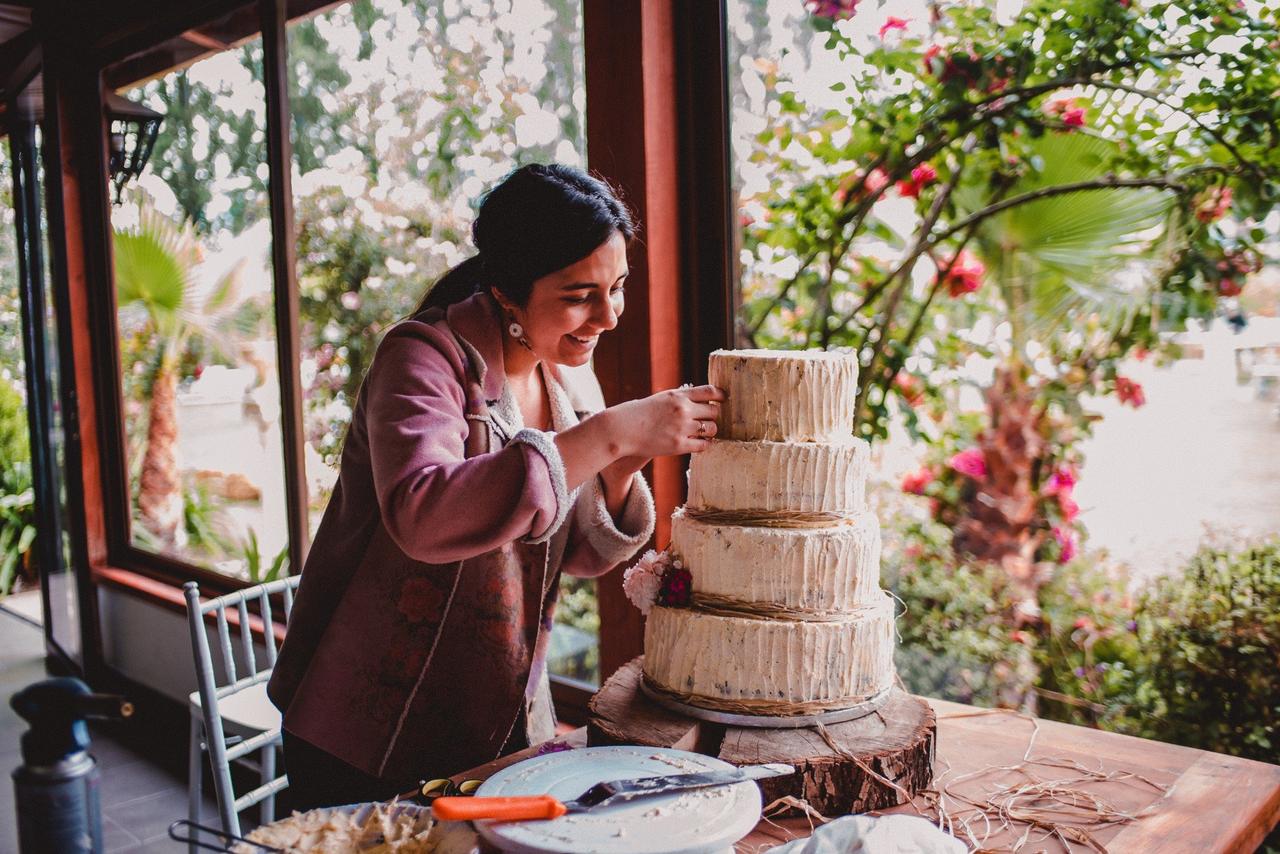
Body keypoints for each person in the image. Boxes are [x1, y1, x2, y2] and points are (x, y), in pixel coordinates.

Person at [267, 163, 724, 809]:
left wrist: (623, 461)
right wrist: (607, 437)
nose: (608, 315)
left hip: (497, 714)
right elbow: (422, 513)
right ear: (508, 290)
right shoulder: (423, 358)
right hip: (368, 726)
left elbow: (581, 556)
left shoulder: (566, 376)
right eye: (578, 295)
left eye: (617, 286)